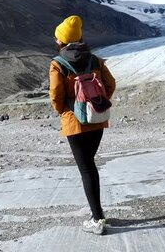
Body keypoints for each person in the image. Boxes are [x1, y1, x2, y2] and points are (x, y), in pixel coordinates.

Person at [49, 15, 116, 235]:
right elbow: (110, 84)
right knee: (90, 164)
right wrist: (99, 103)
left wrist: (63, 112)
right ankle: (97, 214)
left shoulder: (58, 64)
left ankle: (97, 219)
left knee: (86, 168)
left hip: (74, 123)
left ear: (61, 40)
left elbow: (56, 94)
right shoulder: (95, 60)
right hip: (96, 119)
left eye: (57, 36)